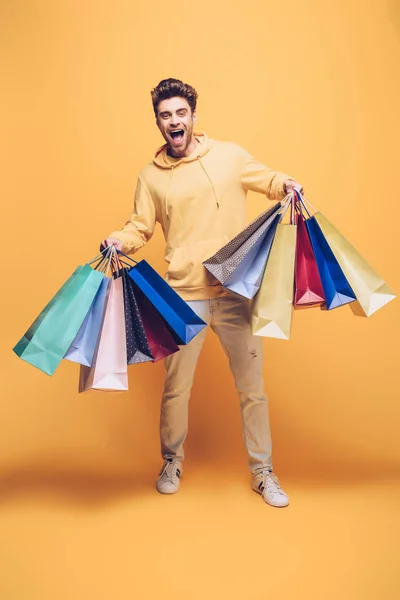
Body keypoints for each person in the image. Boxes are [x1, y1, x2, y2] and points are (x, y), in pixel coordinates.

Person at [101, 78, 303, 508]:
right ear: (157, 122)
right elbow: (140, 226)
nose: (173, 121)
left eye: (180, 113)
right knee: (176, 388)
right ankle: (172, 461)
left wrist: (286, 183)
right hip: (182, 296)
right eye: (165, 115)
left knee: (253, 387)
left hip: (234, 291)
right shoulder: (150, 176)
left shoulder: (229, 157)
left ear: (193, 116)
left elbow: (266, 179)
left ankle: (263, 472)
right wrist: (119, 239)